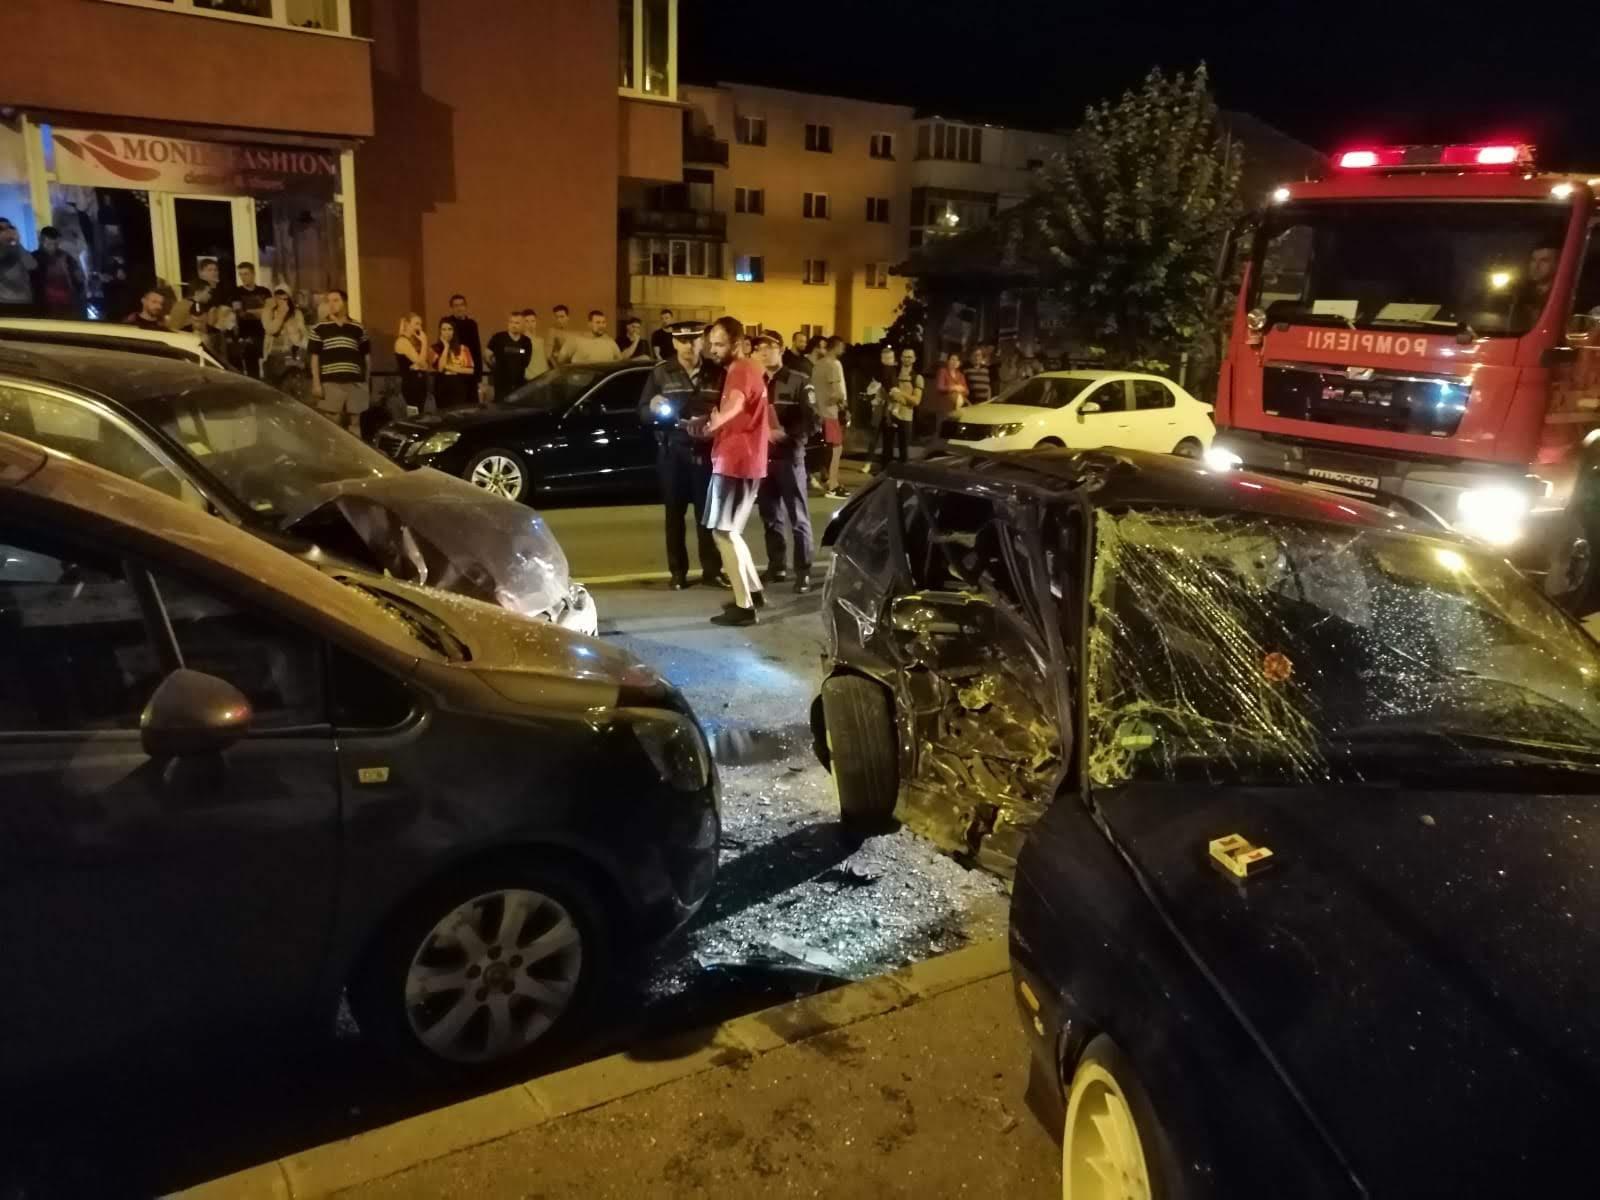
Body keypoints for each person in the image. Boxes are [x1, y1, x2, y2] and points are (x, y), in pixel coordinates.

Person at [638, 319, 728, 589]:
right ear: (674, 343)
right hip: (673, 451)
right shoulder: (661, 373)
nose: (689, 346)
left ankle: (712, 571)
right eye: (683, 341)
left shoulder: (716, 372)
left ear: (702, 341)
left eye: (694, 340)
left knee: (707, 515)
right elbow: (642, 411)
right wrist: (653, 407)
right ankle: (678, 573)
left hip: (706, 452)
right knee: (674, 515)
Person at [701, 315, 770, 626]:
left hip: (734, 460)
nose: (714, 350)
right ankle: (753, 591)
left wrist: (718, 420)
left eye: (720, 344)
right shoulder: (752, 368)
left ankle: (744, 607)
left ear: (737, 343)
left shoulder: (740, 369)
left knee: (722, 532)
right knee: (731, 531)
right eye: (712, 344)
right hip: (748, 460)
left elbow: (738, 403)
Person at [756, 331, 818, 593]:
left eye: (769, 347)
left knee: (798, 517)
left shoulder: (799, 380)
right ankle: (777, 566)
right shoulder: (756, 382)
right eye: (759, 348)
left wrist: (788, 434)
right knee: (770, 516)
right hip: (762, 458)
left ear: (781, 350)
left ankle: (803, 572)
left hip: (789, 457)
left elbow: (813, 421)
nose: (764, 352)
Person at [308, 289, 371, 435]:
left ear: (345, 303)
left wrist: (366, 382)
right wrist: (316, 383)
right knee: (333, 423)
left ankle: (356, 449)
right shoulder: (319, 328)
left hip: (355, 381)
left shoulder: (358, 328)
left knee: (355, 421)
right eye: (328, 301)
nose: (331, 304)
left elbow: (366, 357)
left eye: (335, 300)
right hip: (331, 381)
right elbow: (315, 358)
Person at [811, 336, 849, 497]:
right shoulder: (832, 365)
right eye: (842, 346)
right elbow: (837, 393)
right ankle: (833, 485)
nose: (843, 349)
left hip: (817, 412)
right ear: (837, 346)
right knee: (836, 448)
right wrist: (843, 405)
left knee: (827, 448)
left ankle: (827, 479)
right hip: (830, 413)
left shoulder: (817, 365)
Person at [872, 346, 921, 467]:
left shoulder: (916, 377)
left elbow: (916, 401)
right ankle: (884, 474)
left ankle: (902, 475)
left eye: (910, 357)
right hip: (889, 415)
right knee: (886, 451)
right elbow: (883, 392)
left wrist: (900, 393)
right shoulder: (892, 373)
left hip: (905, 417)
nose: (907, 359)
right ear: (900, 358)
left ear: (914, 359)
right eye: (904, 356)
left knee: (903, 452)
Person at [262, 288, 310, 398]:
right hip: (275, 355)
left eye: (285, 299)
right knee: (277, 390)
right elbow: (271, 330)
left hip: (294, 354)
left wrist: (302, 351)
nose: (283, 302)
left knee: (295, 387)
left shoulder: (296, 313)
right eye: (279, 298)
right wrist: (281, 314)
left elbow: (303, 333)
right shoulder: (268, 312)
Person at [32, 226, 86, 319]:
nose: (53, 247)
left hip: (69, 304)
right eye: (50, 244)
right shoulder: (33, 258)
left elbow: (78, 277)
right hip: (46, 306)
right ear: (41, 241)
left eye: (56, 244)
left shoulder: (65, 256)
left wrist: (80, 288)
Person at [486, 310, 534, 401]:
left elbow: (526, 360)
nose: (513, 325)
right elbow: (487, 354)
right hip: (501, 383)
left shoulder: (526, 341)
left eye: (517, 323)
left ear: (522, 324)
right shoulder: (498, 337)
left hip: (519, 382)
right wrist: (493, 367)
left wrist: (514, 351)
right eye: (511, 322)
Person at [394, 312, 435, 416]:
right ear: (407, 324)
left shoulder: (413, 342)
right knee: (414, 416)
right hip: (411, 385)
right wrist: (424, 341)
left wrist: (420, 364)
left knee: (420, 414)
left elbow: (425, 365)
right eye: (416, 324)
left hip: (420, 383)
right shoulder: (402, 341)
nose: (419, 328)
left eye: (420, 324)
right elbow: (421, 362)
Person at [433, 317, 476, 409]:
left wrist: (450, 367)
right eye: (444, 329)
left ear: (454, 331)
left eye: (450, 329)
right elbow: (440, 368)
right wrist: (446, 347)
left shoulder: (463, 348)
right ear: (440, 331)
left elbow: (470, 370)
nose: (447, 332)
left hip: (459, 385)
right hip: (442, 386)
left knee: (458, 412)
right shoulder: (434, 348)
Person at [446, 294, 484, 397]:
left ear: (465, 306)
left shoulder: (472, 324)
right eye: (456, 305)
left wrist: (479, 376)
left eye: (461, 305)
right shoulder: (447, 323)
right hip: (453, 370)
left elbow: (476, 349)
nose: (459, 308)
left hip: (470, 371)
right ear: (451, 308)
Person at [0, 219, 37, 314]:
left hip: (26, 301)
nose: (6, 231)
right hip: (4, 303)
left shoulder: (17, 248)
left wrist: (17, 243)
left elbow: (32, 266)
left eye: (9, 227)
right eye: (1, 229)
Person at [930, 351, 969, 436]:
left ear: (959, 363)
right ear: (948, 361)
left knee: (954, 432)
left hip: (957, 409)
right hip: (944, 408)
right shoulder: (943, 371)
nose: (954, 362)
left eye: (957, 360)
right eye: (952, 359)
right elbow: (940, 387)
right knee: (942, 431)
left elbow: (966, 391)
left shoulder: (960, 375)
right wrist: (954, 387)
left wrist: (961, 389)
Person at [521, 309, 551, 380]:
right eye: (527, 321)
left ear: (536, 322)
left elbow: (546, 359)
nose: (530, 324)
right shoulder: (521, 341)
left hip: (544, 377)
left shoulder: (541, 340)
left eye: (533, 321)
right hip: (530, 379)